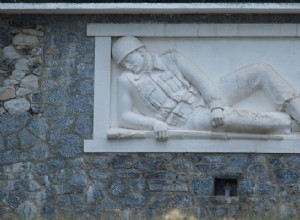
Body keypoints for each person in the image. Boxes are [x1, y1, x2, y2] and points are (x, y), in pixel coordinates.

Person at [112, 36, 300, 140]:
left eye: (128, 60)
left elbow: (202, 81)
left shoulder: (171, 58)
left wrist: (215, 105)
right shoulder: (127, 80)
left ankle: (296, 110)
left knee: (260, 70)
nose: (127, 66)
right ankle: (291, 125)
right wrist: (152, 124)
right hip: (188, 119)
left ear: (140, 52)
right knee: (227, 119)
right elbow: (124, 117)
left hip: (206, 97)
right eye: (123, 64)